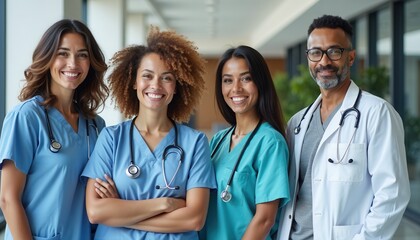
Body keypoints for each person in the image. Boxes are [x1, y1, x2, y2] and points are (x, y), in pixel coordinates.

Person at [277, 15, 411, 240]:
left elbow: (392, 195)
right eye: (316, 52)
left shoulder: (376, 113)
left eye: (334, 51)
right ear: (309, 58)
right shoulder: (298, 122)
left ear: (350, 57)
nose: (324, 61)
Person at [82, 26, 216, 240]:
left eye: (166, 78)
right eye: (147, 76)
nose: (156, 85)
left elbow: (194, 219)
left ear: (176, 86)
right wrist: (166, 203)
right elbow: (96, 212)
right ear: (134, 82)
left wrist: (121, 212)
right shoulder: (111, 139)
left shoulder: (195, 142)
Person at [0, 19, 109, 239]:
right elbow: (7, 199)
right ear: (48, 57)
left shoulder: (96, 126)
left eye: (82, 55)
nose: (73, 63)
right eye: (63, 53)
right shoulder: (27, 117)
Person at [199, 45, 290, 240]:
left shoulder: (270, 142)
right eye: (228, 80)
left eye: (246, 78)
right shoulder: (218, 140)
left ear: (260, 83)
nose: (236, 88)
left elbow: (265, 219)